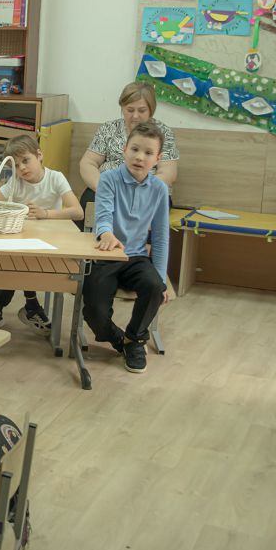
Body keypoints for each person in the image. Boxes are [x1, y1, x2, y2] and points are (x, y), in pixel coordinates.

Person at [83, 122, 170, 374]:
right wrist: (107, 234)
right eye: (134, 149)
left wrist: (161, 277)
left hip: (137, 258)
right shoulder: (109, 179)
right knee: (95, 312)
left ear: (157, 159)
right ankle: (120, 340)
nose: (139, 157)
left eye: (148, 153)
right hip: (106, 255)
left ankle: (136, 338)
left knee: (154, 287)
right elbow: (103, 216)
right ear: (124, 150)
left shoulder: (159, 189)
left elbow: (161, 236)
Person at [0, 134, 83, 333]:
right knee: (13, 260)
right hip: (21, 243)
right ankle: (31, 307)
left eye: (25, 160)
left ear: (39, 155)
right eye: (16, 165)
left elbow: (77, 211)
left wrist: (46, 214)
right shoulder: (16, 182)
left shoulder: (55, 178)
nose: (22, 168)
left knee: (16, 263)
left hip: (48, 244)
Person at [76, 81, 179, 230]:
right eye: (130, 110)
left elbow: (168, 172)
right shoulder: (108, 129)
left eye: (142, 110)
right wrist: (104, 187)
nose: (135, 116)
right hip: (109, 187)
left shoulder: (163, 133)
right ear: (122, 107)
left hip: (147, 191)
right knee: (88, 201)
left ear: (151, 110)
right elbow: (88, 163)